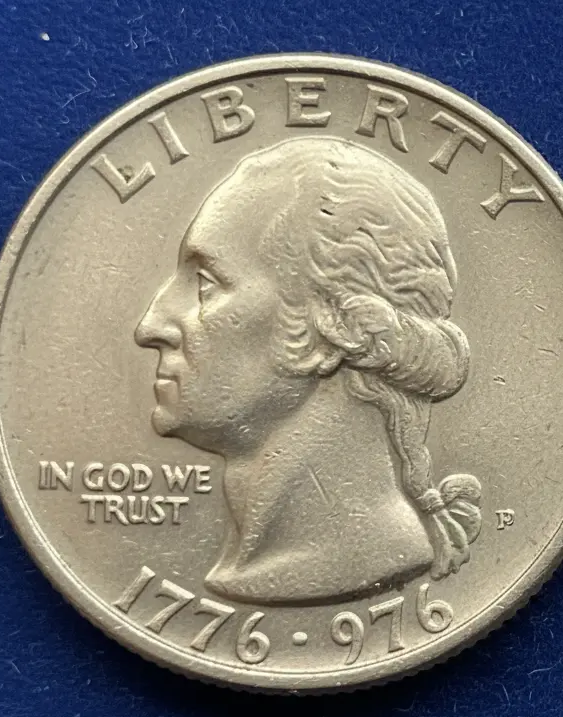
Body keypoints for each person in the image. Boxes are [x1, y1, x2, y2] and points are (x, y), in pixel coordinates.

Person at [135, 136, 481, 605]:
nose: (150, 327)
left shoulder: (360, 559)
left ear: (330, 327)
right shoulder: (259, 563)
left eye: (206, 285)